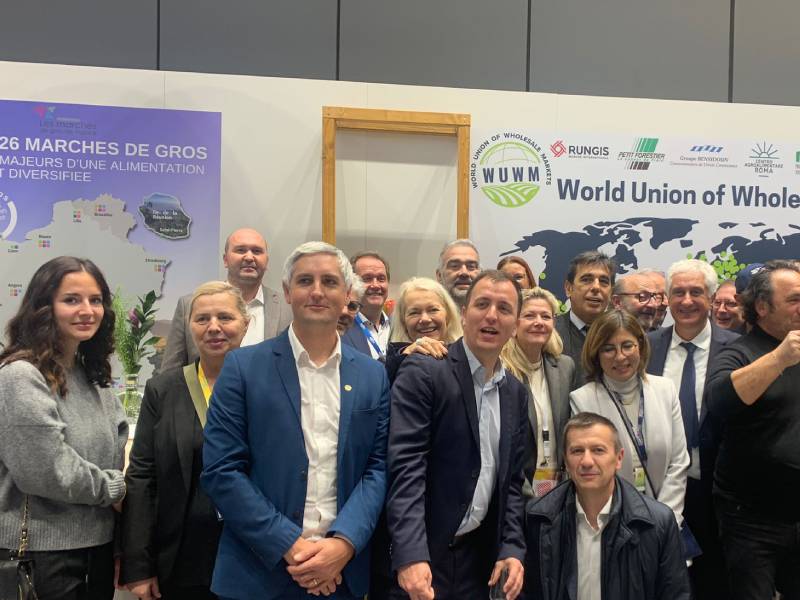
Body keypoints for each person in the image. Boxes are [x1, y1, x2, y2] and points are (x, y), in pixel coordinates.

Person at [201, 241, 390, 600]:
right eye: (305, 281)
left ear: (347, 295)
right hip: (258, 573)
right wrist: (291, 545)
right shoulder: (242, 367)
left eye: (329, 282)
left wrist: (344, 543)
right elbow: (221, 470)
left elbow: (376, 469)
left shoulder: (372, 375)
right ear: (287, 292)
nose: (317, 291)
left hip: (341, 575)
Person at [387, 270, 529, 600]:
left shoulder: (515, 392)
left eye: (504, 308)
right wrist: (410, 553)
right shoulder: (424, 371)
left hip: (477, 562)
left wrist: (511, 546)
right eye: (482, 304)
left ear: (515, 324)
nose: (492, 316)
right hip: (422, 558)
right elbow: (406, 469)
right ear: (463, 314)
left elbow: (512, 483)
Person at [0, 256, 127, 600]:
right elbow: (46, 471)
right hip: (41, 557)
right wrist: (115, 489)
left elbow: (115, 451)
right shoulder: (21, 376)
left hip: (96, 549)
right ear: (44, 307)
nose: (87, 310)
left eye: (95, 300)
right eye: (71, 299)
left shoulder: (94, 378)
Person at [119, 281, 250, 600]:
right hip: (180, 558)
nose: (213, 327)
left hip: (252, 555)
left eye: (225, 317)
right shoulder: (163, 390)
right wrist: (139, 565)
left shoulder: (268, 387)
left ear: (245, 324)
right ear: (190, 326)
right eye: (202, 319)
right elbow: (142, 476)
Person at [706, 259, 800, 600]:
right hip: (751, 519)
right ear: (762, 307)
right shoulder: (737, 352)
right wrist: (780, 358)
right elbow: (720, 402)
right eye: (794, 300)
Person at [523, 412, 690, 600]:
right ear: (566, 461)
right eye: (577, 451)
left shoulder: (658, 524)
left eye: (598, 450)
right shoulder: (538, 518)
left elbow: (676, 595)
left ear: (619, 458)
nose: (587, 461)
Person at [647, 259, 738, 600]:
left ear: (711, 298)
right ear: (667, 299)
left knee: (715, 583)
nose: (686, 301)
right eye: (678, 292)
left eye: (696, 292)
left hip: (716, 492)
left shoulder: (738, 348)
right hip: (658, 488)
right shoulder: (645, 346)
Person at [570, 309, 689, 525]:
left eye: (627, 346)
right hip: (611, 522)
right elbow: (590, 471)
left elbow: (678, 462)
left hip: (665, 520)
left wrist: (666, 519)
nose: (620, 356)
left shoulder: (665, 390)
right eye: (608, 349)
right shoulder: (582, 400)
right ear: (596, 353)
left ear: (640, 347)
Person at [160, 228, 292, 372]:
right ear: (225, 260)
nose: (249, 257)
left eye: (256, 251)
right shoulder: (189, 305)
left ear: (266, 261)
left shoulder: (289, 307)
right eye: (240, 250)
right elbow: (169, 374)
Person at [501, 287, 579, 497]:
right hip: (514, 488)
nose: (539, 322)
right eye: (529, 316)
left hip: (558, 486)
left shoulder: (564, 366)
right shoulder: (501, 370)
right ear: (514, 323)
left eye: (546, 316)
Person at [384, 276, 462, 382]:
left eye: (433, 310)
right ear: (403, 321)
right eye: (414, 312)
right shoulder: (386, 366)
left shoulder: (468, 353)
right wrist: (401, 360)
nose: (425, 319)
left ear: (448, 314)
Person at [555, 251, 615, 384]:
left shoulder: (619, 334)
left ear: (611, 292)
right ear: (568, 288)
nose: (596, 287)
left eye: (604, 281)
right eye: (586, 280)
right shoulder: (550, 333)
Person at [342, 251, 391, 359]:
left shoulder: (400, 325)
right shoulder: (340, 327)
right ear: (352, 284)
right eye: (367, 279)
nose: (375, 285)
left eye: (381, 279)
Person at [435, 239, 481, 309]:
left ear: (480, 275)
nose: (464, 273)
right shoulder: (427, 314)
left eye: (471, 266)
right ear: (439, 276)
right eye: (455, 266)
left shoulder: (492, 313)